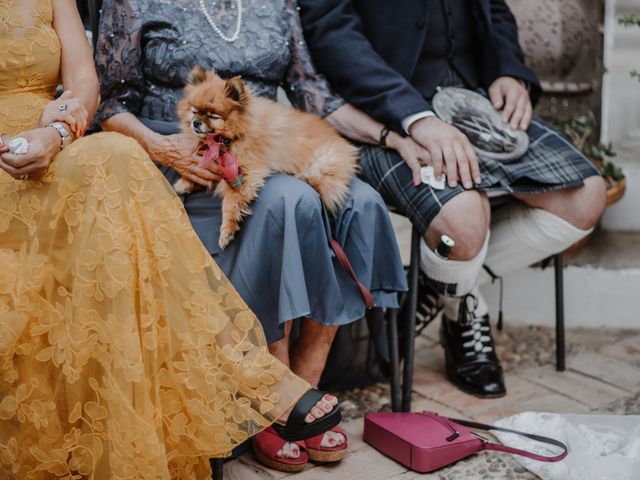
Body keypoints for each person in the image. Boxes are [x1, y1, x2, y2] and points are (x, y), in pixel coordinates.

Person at [0, 0, 340, 477]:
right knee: (116, 177)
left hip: (50, 147)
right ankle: (248, 373)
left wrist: (57, 130)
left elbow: (85, 84)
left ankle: (246, 371)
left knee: (114, 157)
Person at [94, 0, 417, 471]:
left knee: (362, 204)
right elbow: (106, 101)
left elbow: (314, 94)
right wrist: (165, 149)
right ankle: (268, 398)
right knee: (289, 202)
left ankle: (305, 386)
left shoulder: (278, 3)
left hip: (265, 143)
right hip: (178, 153)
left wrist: (396, 136)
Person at [298, 0, 607, 398]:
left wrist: (509, 71)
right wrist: (415, 116)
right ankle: (462, 307)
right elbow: (329, 28)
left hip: (472, 100)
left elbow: (493, 8)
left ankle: (440, 287)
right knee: (462, 219)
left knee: (585, 196)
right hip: (381, 116)